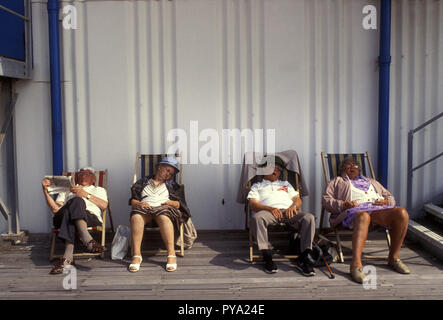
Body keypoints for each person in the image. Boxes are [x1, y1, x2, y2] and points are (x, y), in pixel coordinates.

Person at [322, 158, 410, 283]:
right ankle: (356, 266)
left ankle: (394, 258)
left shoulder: (371, 181)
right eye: (348, 165)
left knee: (402, 213)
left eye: (356, 166)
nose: (353, 168)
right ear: (342, 169)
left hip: (377, 210)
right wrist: (343, 204)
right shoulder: (337, 181)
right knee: (363, 216)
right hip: (355, 213)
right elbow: (326, 200)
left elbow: (389, 196)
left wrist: (386, 202)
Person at [247, 156, 316, 276]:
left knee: (308, 218)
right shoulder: (257, 186)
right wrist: (270, 208)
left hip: (289, 212)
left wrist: (294, 206)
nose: (276, 170)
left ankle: (304, 256)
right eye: (272, 167)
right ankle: (266, 254)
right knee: (257, 218)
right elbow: (253, 204)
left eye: (278, 169)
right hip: (268, 212)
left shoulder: (286, 184)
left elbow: (297, 199)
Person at [128, 156, 190, 272]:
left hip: (164, 209)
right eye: (167, 170)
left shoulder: (173, 185)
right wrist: (140, 203)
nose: (168, 175)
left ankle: (171, 255)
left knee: (163, 217)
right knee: (136, 216)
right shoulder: (143, 182)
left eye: (171, 173)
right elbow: (132, 201)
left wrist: (171, 202)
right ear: (159, 167)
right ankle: (136, 255)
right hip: (145, 209)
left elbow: (179, 204)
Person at [41, 167, 108, 274]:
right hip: (61, 218)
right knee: (75, 202)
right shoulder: (67, 190)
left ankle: (67, 259)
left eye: (87, 173)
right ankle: (87, 240)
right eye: (80, 174)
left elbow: (104, 205)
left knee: (75, 205)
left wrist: (85, 194)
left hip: (90, 217)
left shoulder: (99, 189)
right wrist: (45, 191)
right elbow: (55, 209)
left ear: (94, 179)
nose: (82, 175)